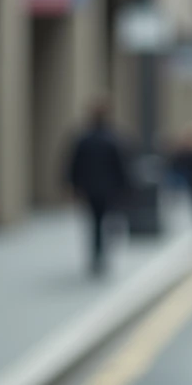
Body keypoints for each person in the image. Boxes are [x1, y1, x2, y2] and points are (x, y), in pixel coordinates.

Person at [65, 101, 131, 275]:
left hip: (89, 188)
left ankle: (96, 254)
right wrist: (125, 188)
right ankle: (101, 253)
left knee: (94, 222)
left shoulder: (83, 139)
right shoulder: (113, 139)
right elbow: (121, 166)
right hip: (109, 189)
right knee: (107, 221)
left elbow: (73, 164)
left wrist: (72, 185)